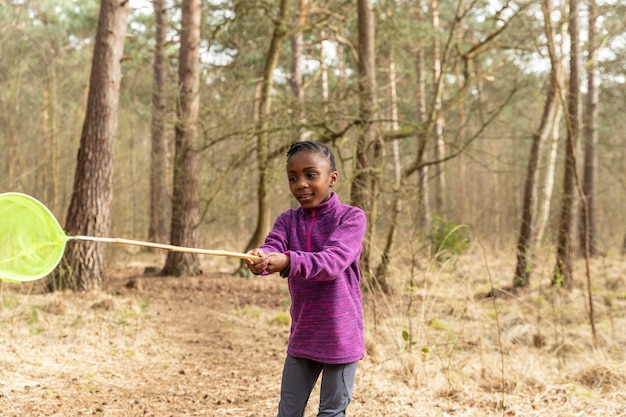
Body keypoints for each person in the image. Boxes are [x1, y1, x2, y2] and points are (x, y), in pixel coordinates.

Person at [246, 141, 366, 417]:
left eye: (311, 175)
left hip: (340, 337)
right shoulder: (287, 221)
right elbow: (273, 247)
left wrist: (288, 261)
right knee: (288, 412)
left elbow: (332, 262)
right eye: (293, 177)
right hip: (304, 335)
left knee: (331, 413)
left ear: (332, 178)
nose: (301, 184)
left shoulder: (351, 218)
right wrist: (261, 259)